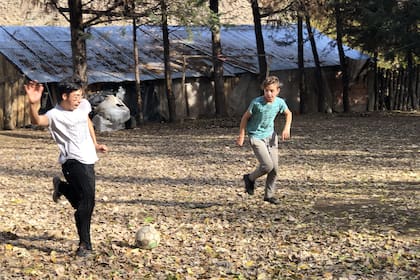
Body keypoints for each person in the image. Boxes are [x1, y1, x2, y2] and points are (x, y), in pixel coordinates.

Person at [24, 76, 108, 257]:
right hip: (72, 162)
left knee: (84, 202)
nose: (79, 99)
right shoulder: (55, 115)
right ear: (64, 96)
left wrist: (95, 144)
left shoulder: (83, 105)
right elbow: (37, 121)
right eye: (75, 96)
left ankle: (61, 187)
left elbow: (87, 122)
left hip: (88, 158)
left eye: (80, 95)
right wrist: (33, 104)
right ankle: (85, 246)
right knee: (87, 202)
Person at [236, 76, 292, 205]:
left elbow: (288, 113)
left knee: (275, 169)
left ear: (278, 90)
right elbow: (245, 118)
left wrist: (286, 128)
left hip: (271, 137)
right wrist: (241, 135)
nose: (269, 93)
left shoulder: (280, 102)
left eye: (272, 90)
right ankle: (249, 178)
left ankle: (269, 195)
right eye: (266, 90)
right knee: (267, 166)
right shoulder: (256, 103)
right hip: (256, 136)